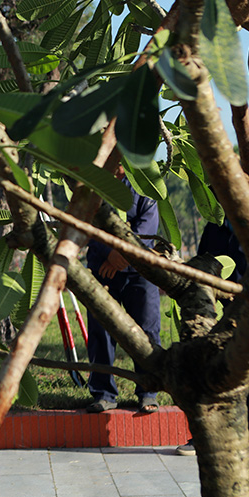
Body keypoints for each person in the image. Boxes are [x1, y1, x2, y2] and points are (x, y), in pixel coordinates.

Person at [176, 220, 249, 458]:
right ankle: (206, 435)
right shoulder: (213, 226)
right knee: (213, 369)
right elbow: (202, 267)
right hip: (221, 309)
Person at [86, 167, 161, 414]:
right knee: (101, 331)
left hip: (140, 271)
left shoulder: (143, 184)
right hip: (103, 269)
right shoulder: (94, 182)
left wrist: (122, 254)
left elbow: (147, 227)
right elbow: (88, 223)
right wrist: (109, 253)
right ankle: (103, 393)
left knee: (147, 330)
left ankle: (148, 392)